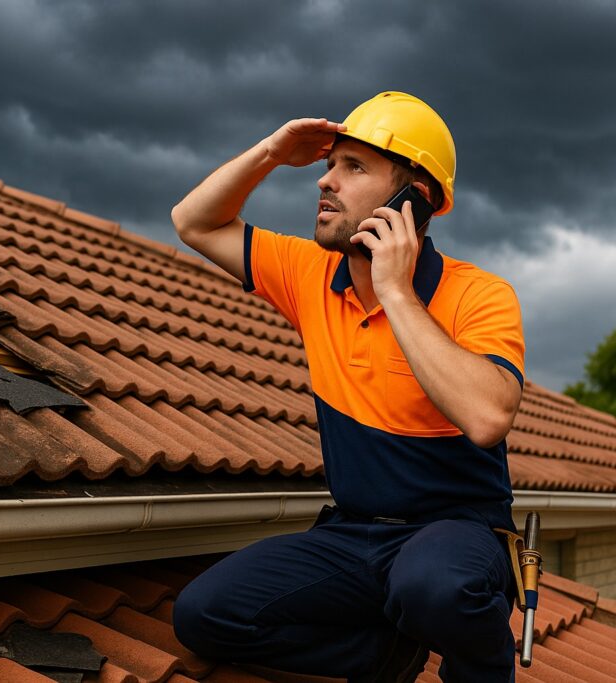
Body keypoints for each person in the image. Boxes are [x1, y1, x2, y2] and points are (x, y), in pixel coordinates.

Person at [169, 91, 525, 682]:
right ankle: (384, 656)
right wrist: (272, 152)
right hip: (353, 535)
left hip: (456, 534)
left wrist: (396, 293)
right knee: (202, 614)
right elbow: (193, 222)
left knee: (433, 587)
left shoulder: (480, 295)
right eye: (329, 165)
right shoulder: (309, 271)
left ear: (416, 199)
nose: (325, 183)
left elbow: (487, 418)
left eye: (353, 168)